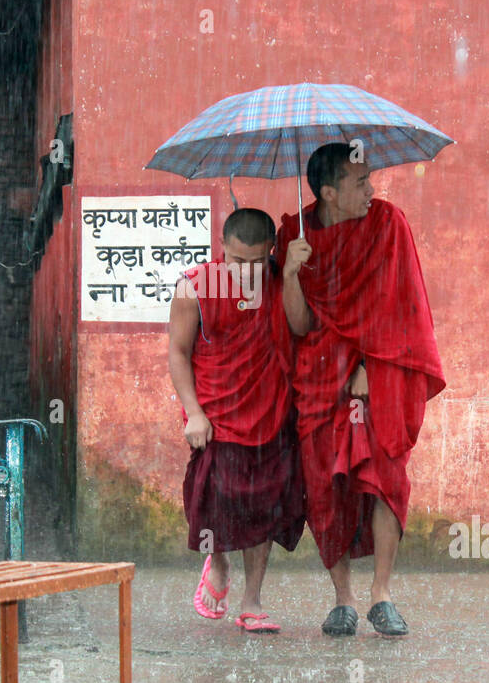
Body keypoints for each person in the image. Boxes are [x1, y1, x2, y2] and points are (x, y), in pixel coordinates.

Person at [276, 143, 445, 637]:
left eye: (370, 179)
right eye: (360, 182)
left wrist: (372, 364)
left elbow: (403, 305)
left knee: (384, 478)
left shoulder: (388, 225)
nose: (372, 190)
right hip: (320, 376)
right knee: (325, 487)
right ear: (328, 191)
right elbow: (301, 323)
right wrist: (290, 271)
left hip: (379, 372)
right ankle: (343, 599)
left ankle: (382, 595)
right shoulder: (295, 235)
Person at [168, 207, 305, 634]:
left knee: (263, 506)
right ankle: (220, 563)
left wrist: (293, 276)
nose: (246, 271)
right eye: (236, 261)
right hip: (216, 412)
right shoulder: (194, 287)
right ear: (221, 248)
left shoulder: (281, 279)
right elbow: (177, 352)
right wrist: (194, 411)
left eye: (256, 262)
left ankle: (252, 600)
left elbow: (302, 328)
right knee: (215, 500)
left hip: (269, 410)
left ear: (271, 251)